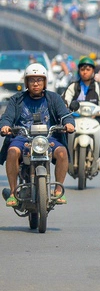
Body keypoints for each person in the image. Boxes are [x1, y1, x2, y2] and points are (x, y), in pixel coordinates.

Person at [0, 63, 75, 206]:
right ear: (26, 82)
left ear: (45, 82)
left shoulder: (54, 98)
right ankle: (13, 193)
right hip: (22, 138)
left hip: (48, 138)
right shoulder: (16, 99)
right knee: (12, 151)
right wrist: (5, 126)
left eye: (39, 80)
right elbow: (7, 117)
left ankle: (58, 190)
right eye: (32, 80)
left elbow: (65, 115)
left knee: (62, 152)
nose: (36, 83)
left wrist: (69, 124)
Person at [62, 57, 100, 172]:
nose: (85, 72)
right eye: (82, 69)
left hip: (94, 119)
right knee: (65, 129)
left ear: (93, 71)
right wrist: (67, 108)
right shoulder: (73, 87)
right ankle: (65, 156)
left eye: (88, 69)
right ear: (79, 71)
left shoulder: (98, 88)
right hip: (75, 118)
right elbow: (64, 101)